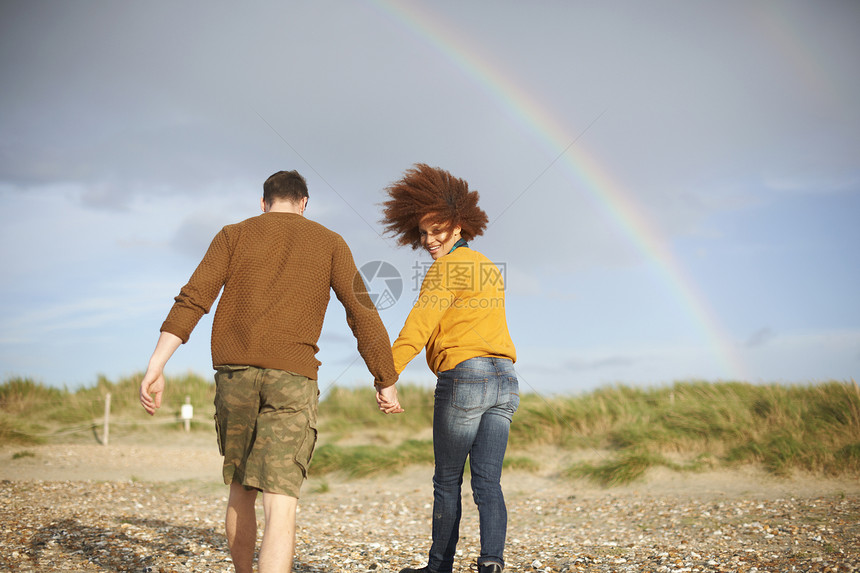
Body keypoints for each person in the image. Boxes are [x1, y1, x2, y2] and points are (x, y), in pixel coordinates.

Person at [139, 170, 402, 573]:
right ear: (304, 203)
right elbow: (360, 310)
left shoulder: (233, 234)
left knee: (241, 489)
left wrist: (156, 365)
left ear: (263, 203)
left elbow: (194, 298)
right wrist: (385, 379)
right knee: (280, 503)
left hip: (234, 376)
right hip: (292, 380)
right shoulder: (330, 242)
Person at [376, 164, 519, 573]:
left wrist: (387, 376)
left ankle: (439, 568)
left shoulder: (446, 269)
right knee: (488, 482)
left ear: (458, 225)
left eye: (436, 229)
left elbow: (418, 325)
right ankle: (492, 562)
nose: (429, 240)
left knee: (447, 481)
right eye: (422, 232)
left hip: (466, 377)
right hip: (505, 379)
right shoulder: (488, 266)